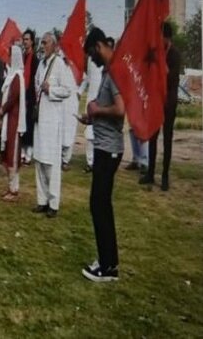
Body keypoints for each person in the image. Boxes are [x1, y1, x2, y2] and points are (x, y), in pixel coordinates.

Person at [80, 27, 125, 282]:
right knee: (100, 205)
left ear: (98, 46)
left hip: (109, 149)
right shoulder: (109, 71)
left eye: (91, 55)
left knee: (99, 205)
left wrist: (97, 108)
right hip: (103, 145)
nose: (92, 61)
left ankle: (108, 267)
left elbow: (120, 110)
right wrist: (92, 116)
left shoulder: (116, 71)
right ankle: (108, 260)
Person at [32, 32, 71, 218]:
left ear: (54, 45)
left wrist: (51, 90)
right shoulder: (41, 64)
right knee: (39, 160)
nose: (42, 46)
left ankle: (53, 203)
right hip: (40, 119)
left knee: (51, 164)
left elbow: (67, 91)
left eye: (45, 43)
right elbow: (36, 85)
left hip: (52, 121)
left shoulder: (60, 64)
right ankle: (42, 200)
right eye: (42, 43)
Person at [140, 22, 182, 190]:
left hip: (169, 103)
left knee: (167, 139)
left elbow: (172, 79)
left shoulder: (175, 55)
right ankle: (150, 172)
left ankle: (164, 175)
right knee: (152, 138)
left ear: (167, 37)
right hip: (155, 102)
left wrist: (163, 65)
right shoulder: (155, 54)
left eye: (161, 37)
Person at [0, 45, 26, 202]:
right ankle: (10, 187)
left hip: (13, 120)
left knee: (12, 153)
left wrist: (1, 111)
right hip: (9, 119)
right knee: (7, 152)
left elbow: (12, 98)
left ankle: (14, 190)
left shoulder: (17, 77)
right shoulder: (11, 75)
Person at [78, 51, 104, 172]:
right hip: (90, 101)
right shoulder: (90, 60)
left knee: (99, 134)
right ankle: (90, 162)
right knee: (89, 134)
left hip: (102, 101)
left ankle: (99, 162)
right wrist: (79, 91)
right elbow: (87, 78)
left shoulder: (105, 62)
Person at [21, 29, 39, 164]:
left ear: (32, 41)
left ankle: (29, 154)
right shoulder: (22, 57)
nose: (25, 42)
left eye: (27, 39)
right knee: (22, 124)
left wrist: (31, 98)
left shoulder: (35, 59)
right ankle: (22, 152)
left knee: (30, 125)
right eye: (24, 39)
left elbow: (35, 80)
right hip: (22, 95)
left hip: (30, 96)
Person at [61, 59, 79, 170]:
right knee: (60, 129)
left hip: (72, 103)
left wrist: (79, 91)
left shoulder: (76, 67)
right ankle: (59, 157)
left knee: (70, 129)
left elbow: (85, 78)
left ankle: (66, 160)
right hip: (61, 102)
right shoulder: (60, 65)